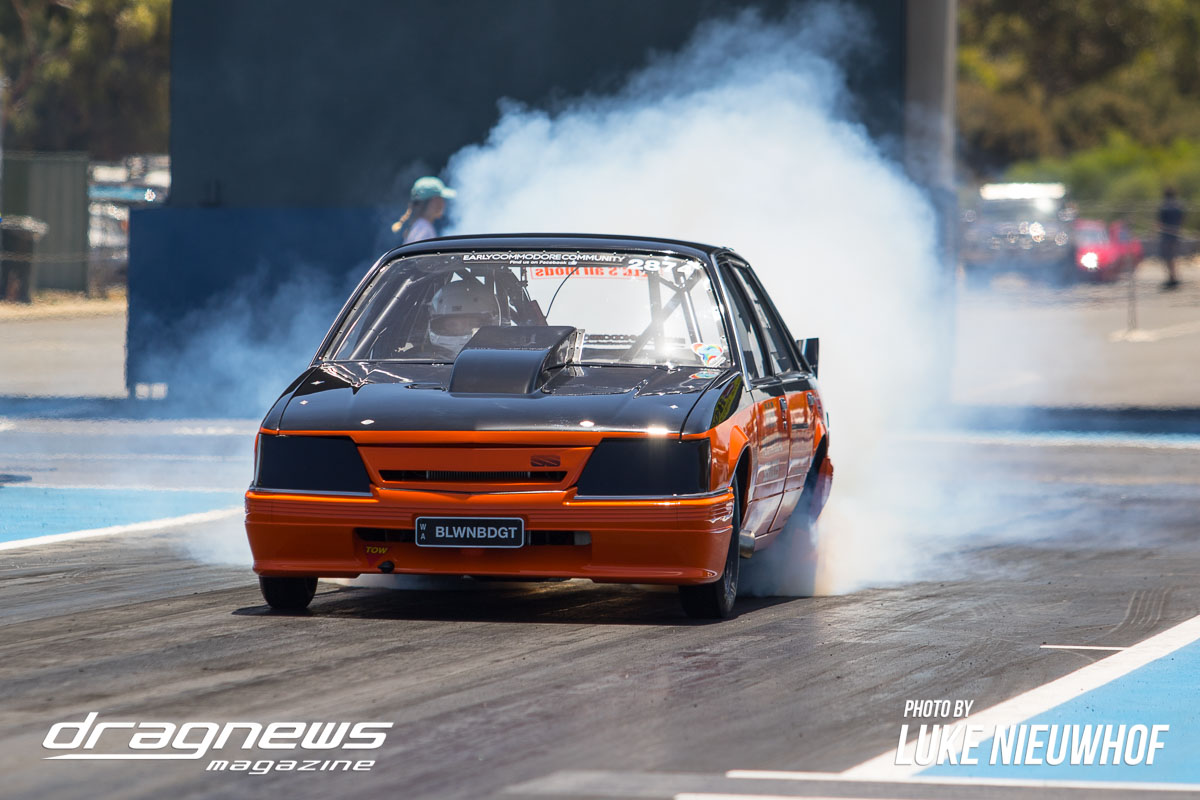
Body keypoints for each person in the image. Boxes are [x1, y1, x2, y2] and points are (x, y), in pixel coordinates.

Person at [391, 176, 456, 244]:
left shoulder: (420, 226)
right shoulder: (424, 230)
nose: (443, 204)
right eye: (439, 199)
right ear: (433, 202)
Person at [1157, 187, 1184, 290]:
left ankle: (1172, 278)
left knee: (1168, 258)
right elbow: (1181, 220)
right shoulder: (1179, 206)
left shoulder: (1164, 207)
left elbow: (1160, 224)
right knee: (1174, 257)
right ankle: (1174, 277)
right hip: (1176, 235)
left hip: (1166, 236)